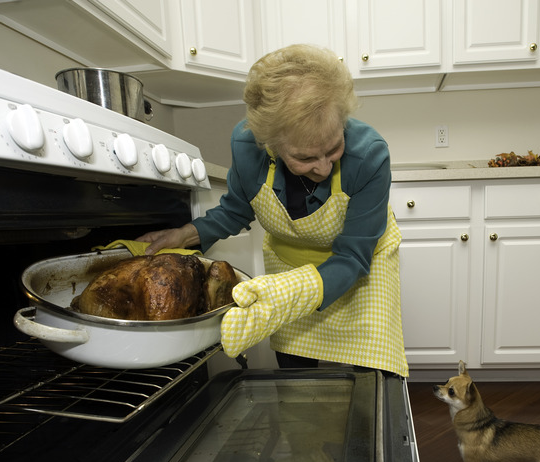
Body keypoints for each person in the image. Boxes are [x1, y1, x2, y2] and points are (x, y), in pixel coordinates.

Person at [137, 44, 408, 378]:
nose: (323, 168)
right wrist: (184, 234)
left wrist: (292, 294)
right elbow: (236, 210)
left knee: (374, 374)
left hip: (360, 268)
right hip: (290, 265)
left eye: (334, 148)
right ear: (270, 143)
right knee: (296, 375)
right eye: (305, 157)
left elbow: (353, 256)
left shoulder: (370, 155)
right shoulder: (247, 145)